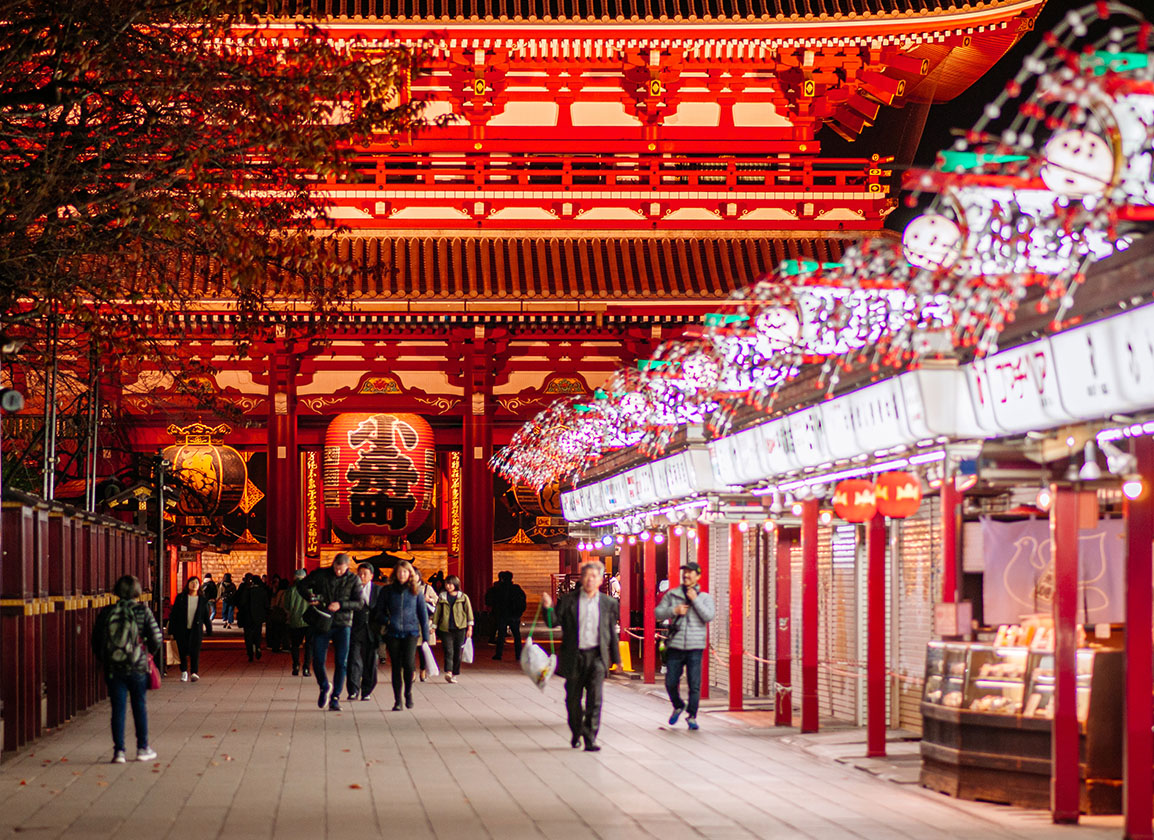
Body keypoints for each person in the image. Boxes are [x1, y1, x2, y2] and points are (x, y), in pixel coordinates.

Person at [541, 560, 621, 752]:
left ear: (601, 580)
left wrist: (617, 660)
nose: (590, 580)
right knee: (573, 700)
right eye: (587, 576)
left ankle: (590, 737)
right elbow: (553, 622)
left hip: (597, 658)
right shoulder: (569, 600)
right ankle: (576, 730)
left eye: (594, 576)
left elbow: (610, 632)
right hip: (574, 656)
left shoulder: (608, 603)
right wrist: (547, 607)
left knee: (595, 699)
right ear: (582, 579)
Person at [91, 574, 163, 763]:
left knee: (118, 708)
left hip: (114, 667)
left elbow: (96, 639)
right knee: (139, 706)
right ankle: (142, 748)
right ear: (137, 591)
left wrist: (105, 658)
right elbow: (156, 637)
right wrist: (147, 653)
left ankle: (119, 752)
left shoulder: (107, 612)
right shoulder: (142, 611)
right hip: (137, 665)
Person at [653, 561, 716, 731]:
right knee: (670, 682)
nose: (686, 575)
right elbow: (658, 613)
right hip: (675, 645)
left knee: (694, 684)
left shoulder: (705, 598)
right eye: (685, 572)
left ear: (698, 576)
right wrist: (674, 610)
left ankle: (692, 716)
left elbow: (709, 616)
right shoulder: (672, 595)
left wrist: (695, 601)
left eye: (690, 572)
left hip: (695, 647)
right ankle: (678, 705)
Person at [298, 553, 360, 711]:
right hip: (322, 621)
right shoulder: (321, 574)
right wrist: (310, 597)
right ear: (333, 565)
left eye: (342, 570)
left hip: (343, 623)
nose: (338, 572)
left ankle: (335, 697)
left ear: (347, 567)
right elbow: (301, 585)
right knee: (318, 659)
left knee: (342, 662)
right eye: (336, 569)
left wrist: (341, 604)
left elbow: (359, 603)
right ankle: (324, 686)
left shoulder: (353, 579)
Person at [373, 560, 431, 711]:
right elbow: (378, 612)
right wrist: (388, 620)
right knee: (396, 666)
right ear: (395, 573)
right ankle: (397, 700)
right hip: (393, 633)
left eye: (405, 572)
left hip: (411, 632)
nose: (402, 575)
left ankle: (408, 693)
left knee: (409, 664)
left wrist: (426, 637)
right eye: (399, 572)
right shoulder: (387, 591)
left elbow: (423, 615)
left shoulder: (416, 591)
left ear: (410, 574)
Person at [346, 562, 382, 701]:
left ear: (371, 576)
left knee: (370, 662)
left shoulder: (378, 591)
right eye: (359, 574)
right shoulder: (352, 589)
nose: (361, 576)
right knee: (354, 660)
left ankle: (366, 690)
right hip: (355, 629)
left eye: (365, 574)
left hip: (372, 631)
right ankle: (353, 690)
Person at [169, 576, 211, 682]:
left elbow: (206, 616)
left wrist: (209, 629)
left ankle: (194, 672)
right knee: (182, 651)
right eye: (192, 582)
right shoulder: (180, 598)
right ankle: (183, 671)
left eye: (196, 582)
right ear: (187, 584)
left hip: (196, 630)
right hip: (182, 630)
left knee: (194, 651)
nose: (194, 584)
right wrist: (171, 631)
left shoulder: (202, 600)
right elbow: (174, 615)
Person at [432, 575, 474, 683]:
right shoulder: (442, 597)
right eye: (446, 584)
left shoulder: (463, 597)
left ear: (455, 584)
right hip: (445, 628)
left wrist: (470, 628)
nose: (448, 586)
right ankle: (448, 672)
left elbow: (469, 612)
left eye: (450, 584)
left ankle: (455, 673)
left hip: (460, 627)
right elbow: (437, 613)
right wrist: (434, 626)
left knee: (457, 651)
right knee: (448, 650)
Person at [486, 570, 526, 661]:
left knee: (501, 634)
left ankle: (499, 654)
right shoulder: (516, 589)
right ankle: (518, 655)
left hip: (502, 614)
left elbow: (489, 601)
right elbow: (522, 601)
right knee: (517, 635)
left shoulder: (498, 589)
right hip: (514, 615)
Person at [283, 568, 311, 677]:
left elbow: (287, 606)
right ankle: (306, 668)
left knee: (295, 645)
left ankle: (296, 666)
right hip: (309, 622)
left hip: (295, 621)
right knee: (309, 646)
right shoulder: (310, 589)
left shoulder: (291, 590)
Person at [237, 574, 271, 662]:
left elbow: (241, 603)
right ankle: (258, 647)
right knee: (257, 634)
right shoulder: (262, 591)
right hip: (258, 617)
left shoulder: (246, 591)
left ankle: (250, 653)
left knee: (248, 636)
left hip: (247, 616)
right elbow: (266, 605)